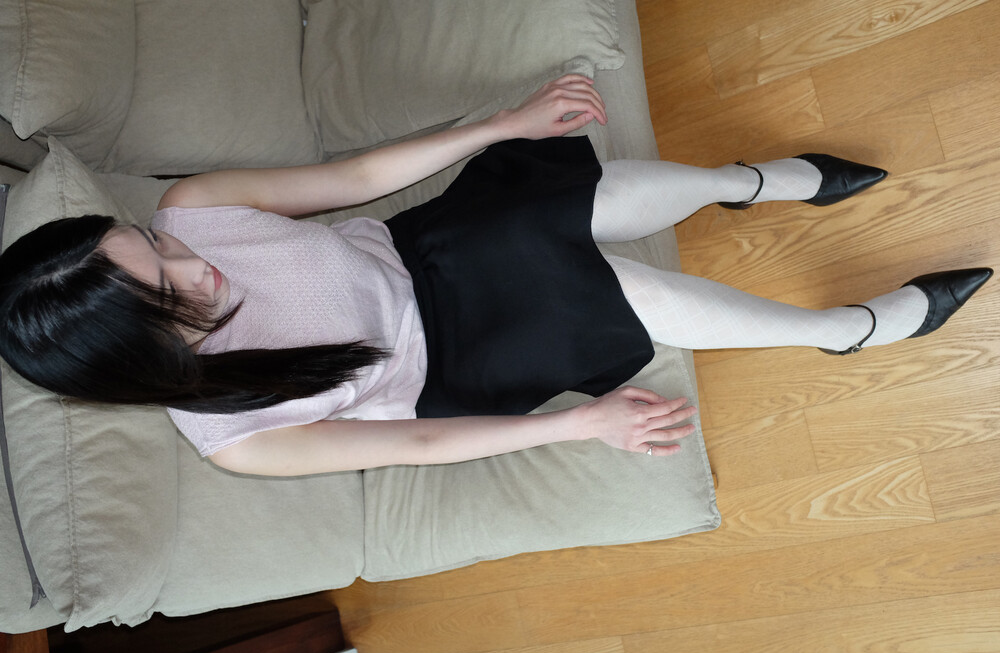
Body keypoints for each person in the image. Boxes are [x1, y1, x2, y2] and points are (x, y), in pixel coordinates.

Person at [0, 76, 991, 476]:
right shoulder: (236, 438)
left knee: (598, 193)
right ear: (142, 358)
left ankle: (748, 182)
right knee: (630, 294)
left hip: (426, 252)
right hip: (455, 358)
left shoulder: (194, 211)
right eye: (173, 290)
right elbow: (419, 442)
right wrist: (578, 425)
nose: (197, 262)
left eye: (155, 241)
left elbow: (352, 181)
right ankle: (849, 331)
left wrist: (501, 126)